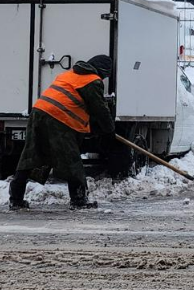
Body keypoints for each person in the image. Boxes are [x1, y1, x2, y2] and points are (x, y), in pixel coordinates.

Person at [9, 54, 116, 211]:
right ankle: (79, 200)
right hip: (58, 118)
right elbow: (100, 109)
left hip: (39, 112)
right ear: (102, 71)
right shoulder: (93, 81)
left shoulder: (69, 74)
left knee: (30, 155)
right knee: (71, 159)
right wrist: (109, 130)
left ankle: (16, 198)